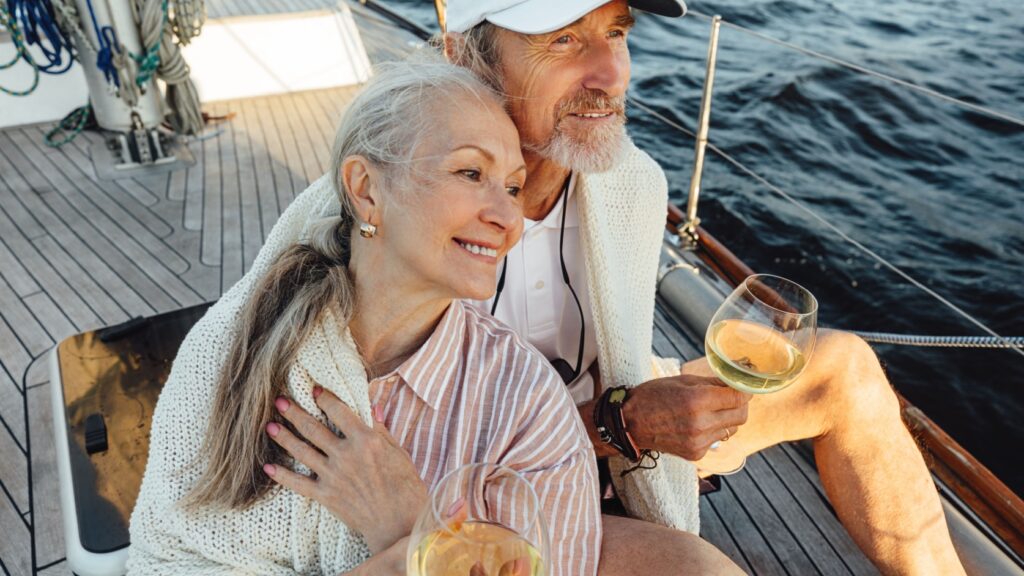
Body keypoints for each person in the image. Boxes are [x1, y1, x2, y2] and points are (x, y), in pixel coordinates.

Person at [441, 1, 967, 574]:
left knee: (843, 370)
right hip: (499, 490)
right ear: (464, 57)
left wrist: (639, 413)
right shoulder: (399, 210)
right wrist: (621, 424)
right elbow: (413, 455)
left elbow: (620, 361)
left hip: (616, 433)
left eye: (616, 32)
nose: (613, 75)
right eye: (562, 41)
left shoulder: (629, 184)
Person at [126, 59, 601, 576]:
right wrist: (414, 553)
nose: (509, 218)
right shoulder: (234, 346)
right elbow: (168, 558)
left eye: (512, 187)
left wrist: (412, 525)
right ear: (366, 190)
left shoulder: (526, 404)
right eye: (470, 172)